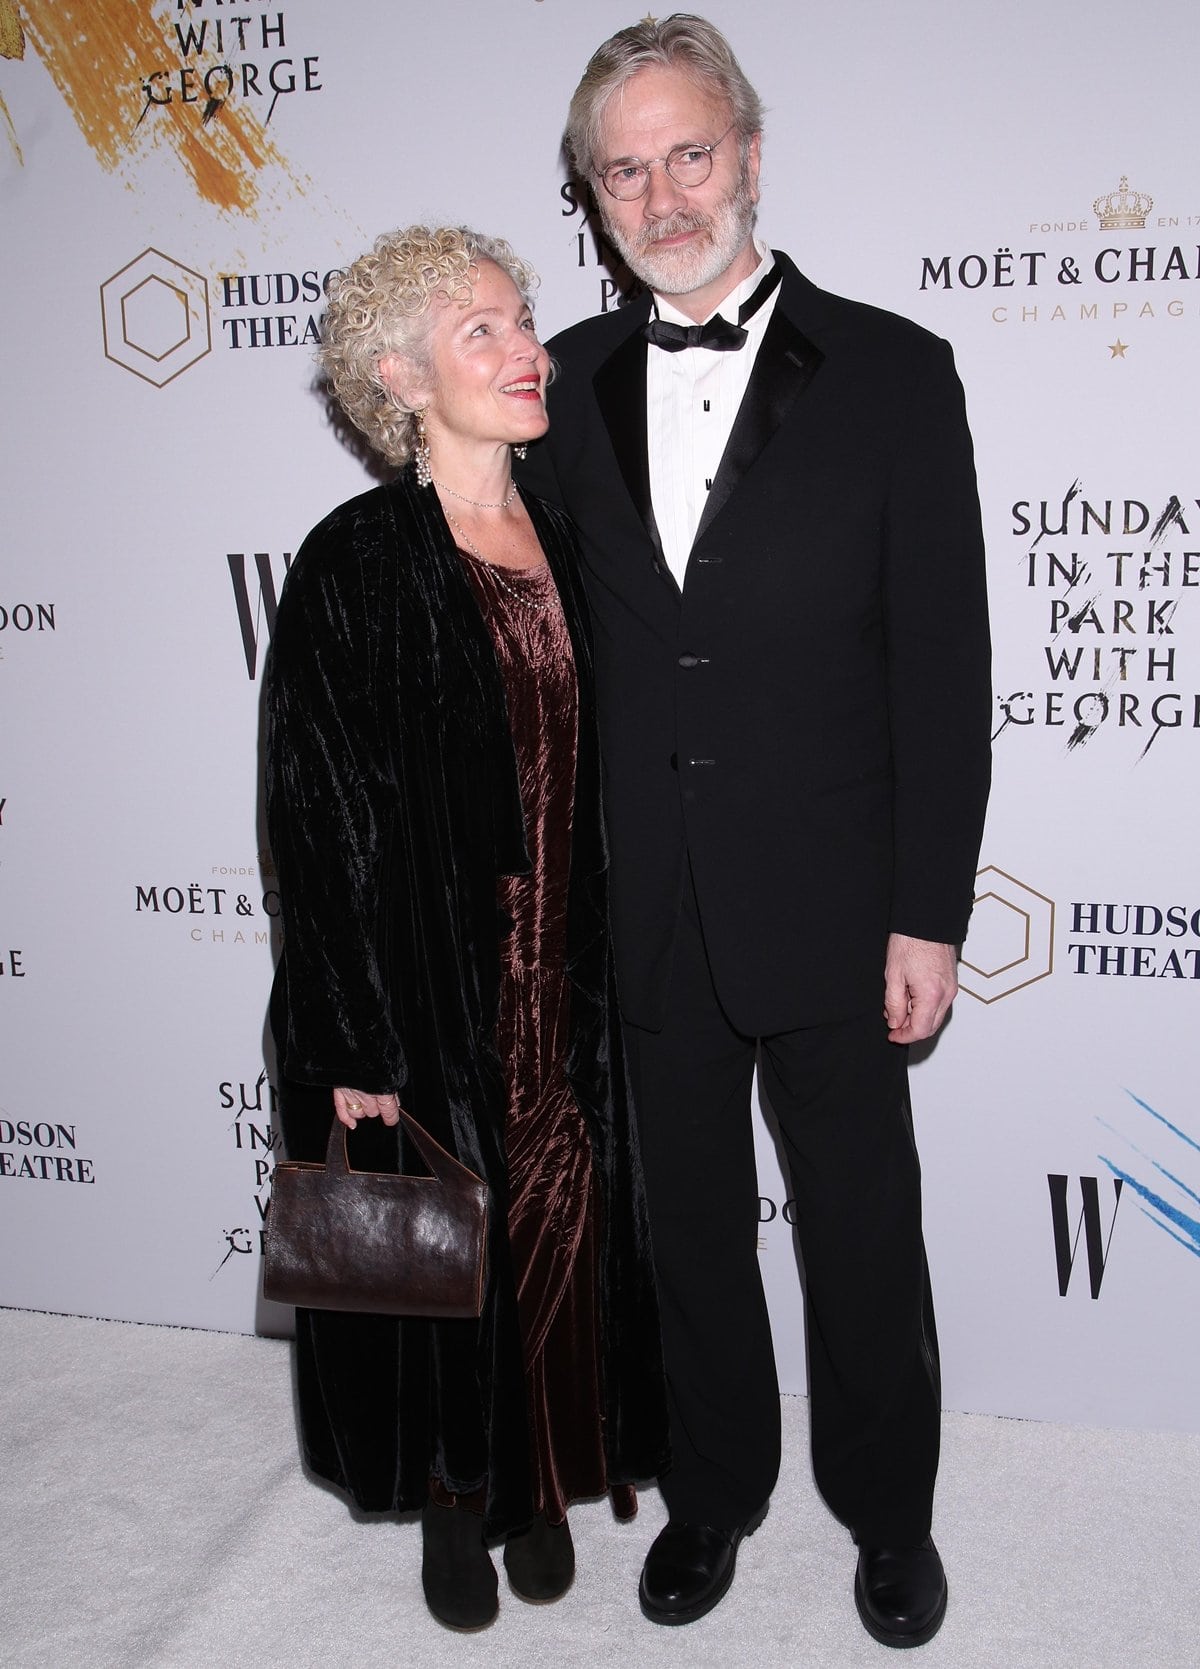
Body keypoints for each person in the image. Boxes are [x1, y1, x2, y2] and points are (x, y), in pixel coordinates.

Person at [518, 14, 991, 1648]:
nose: (660, 196)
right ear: (592, 197)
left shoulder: (896, 370)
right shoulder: (559, 384)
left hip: (841, 892)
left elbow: (943, 666)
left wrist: (928, 911)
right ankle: (714, 1488)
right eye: (623, 171)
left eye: (687, 155)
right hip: (641, 893)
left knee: (861, 1219)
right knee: (689, 1223)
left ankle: (891, 1510)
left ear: (751, 153)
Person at [265, 225, 668, 1632]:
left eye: (524, 319)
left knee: (561, 1224)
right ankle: (452, 1495)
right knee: (440, 1249)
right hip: (432, 983)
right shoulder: (357, 560)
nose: (526, 351)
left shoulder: (567, 528)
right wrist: (350, 1035)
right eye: (481, 330)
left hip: (571, 971)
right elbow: (318, 819)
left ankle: (543, 1474)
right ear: (400, 375)